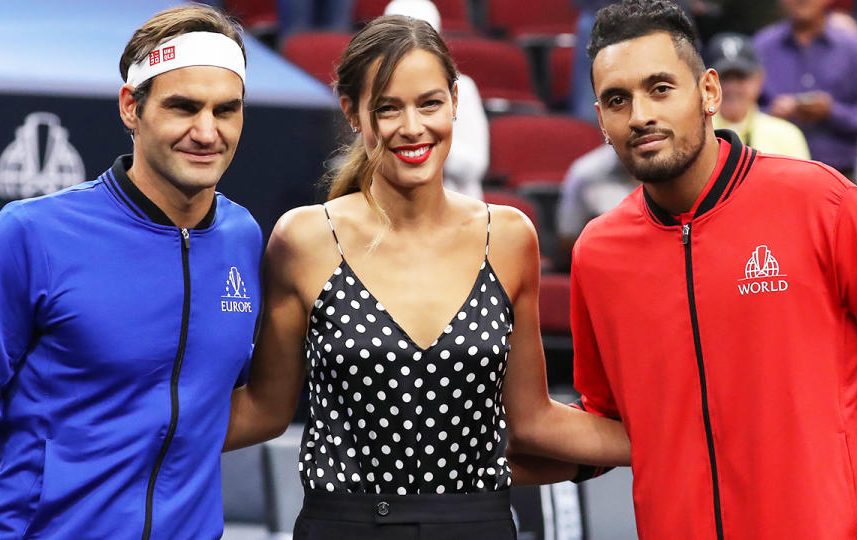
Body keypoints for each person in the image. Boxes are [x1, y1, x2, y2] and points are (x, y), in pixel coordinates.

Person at [223, 15, 629, 539]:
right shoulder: (303, 239)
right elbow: (265, 409)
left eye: (429, 103)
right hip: (344, 525)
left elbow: (531, 420)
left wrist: (671, 439)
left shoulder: (507, 237)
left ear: (456, 102)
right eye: (388, 108)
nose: (412, 127)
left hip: (476, 524)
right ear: (353, 113)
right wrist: (133, 428)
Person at [560, 0, 857, 538]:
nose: (641, 114)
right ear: (601, 119)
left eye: (661, 88)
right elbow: (608, 421)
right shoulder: (597, 254)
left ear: (710, 93)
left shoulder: (823, 203)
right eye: (617, 100)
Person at [0, 5, 263, 538]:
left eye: (225, 110)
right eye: (183, 107)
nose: (206, 132)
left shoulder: (243, 237)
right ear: (130, 108)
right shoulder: (30, 234)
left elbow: (210, 404)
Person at [754, 0, 857, 175]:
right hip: (774, 171)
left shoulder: (853, 47)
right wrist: (771, 115)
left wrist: (831, 111)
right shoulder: (762, 46)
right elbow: (737, 111)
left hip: (841, 173)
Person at [384, 0, 489, 200]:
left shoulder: (463, 88)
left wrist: (420, 148)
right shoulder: (376, 87)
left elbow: (475, 165)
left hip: (456, 204)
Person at [705, 32, 811, 159]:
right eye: (724, 78)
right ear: (707, 83)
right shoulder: (697, 134)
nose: (732, 87)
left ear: (759, 79)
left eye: (741, 77)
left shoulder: (786, 135)